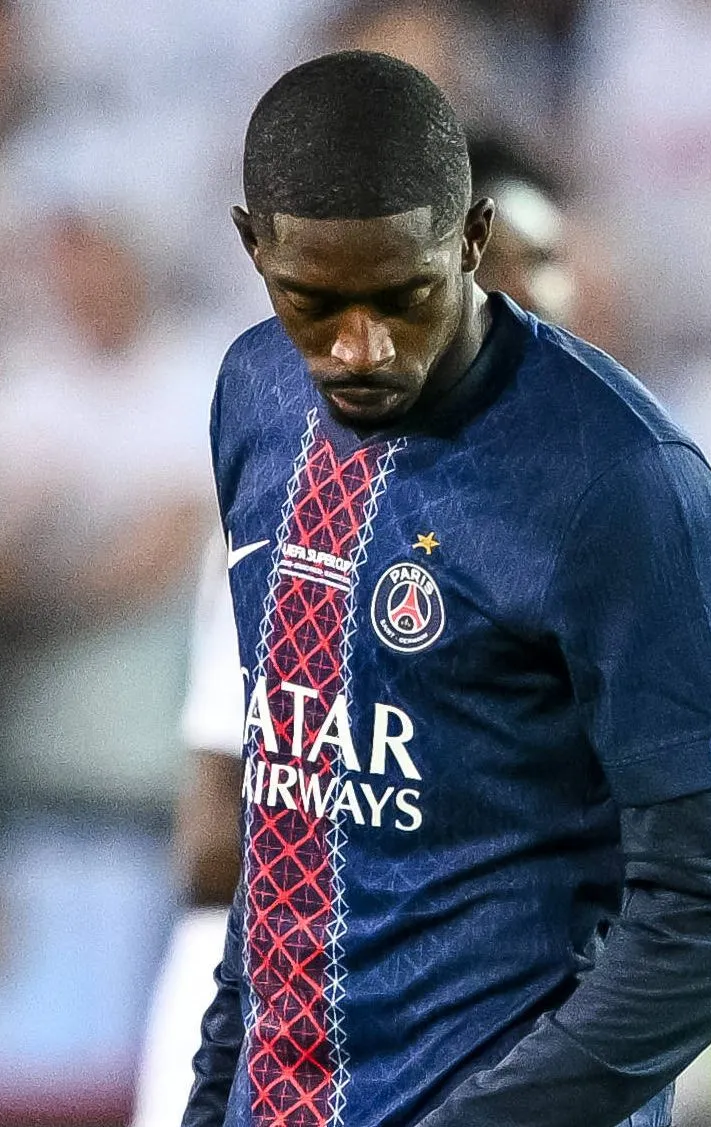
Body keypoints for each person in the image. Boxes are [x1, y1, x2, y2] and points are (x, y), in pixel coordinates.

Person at [182, 52, 711, 1127]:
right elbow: (290, 801)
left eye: (404, 296)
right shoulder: (256, 399)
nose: (359, 347)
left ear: (472, 240)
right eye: (311, 301)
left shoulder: (618, 478)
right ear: (252, 247)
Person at [128, 131, 581, 1127]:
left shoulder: (600, 517)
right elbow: (211, 843)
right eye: (497, 270)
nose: (529, 298)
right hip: (277, 1013)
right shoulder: (296, 518)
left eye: (546, 264)